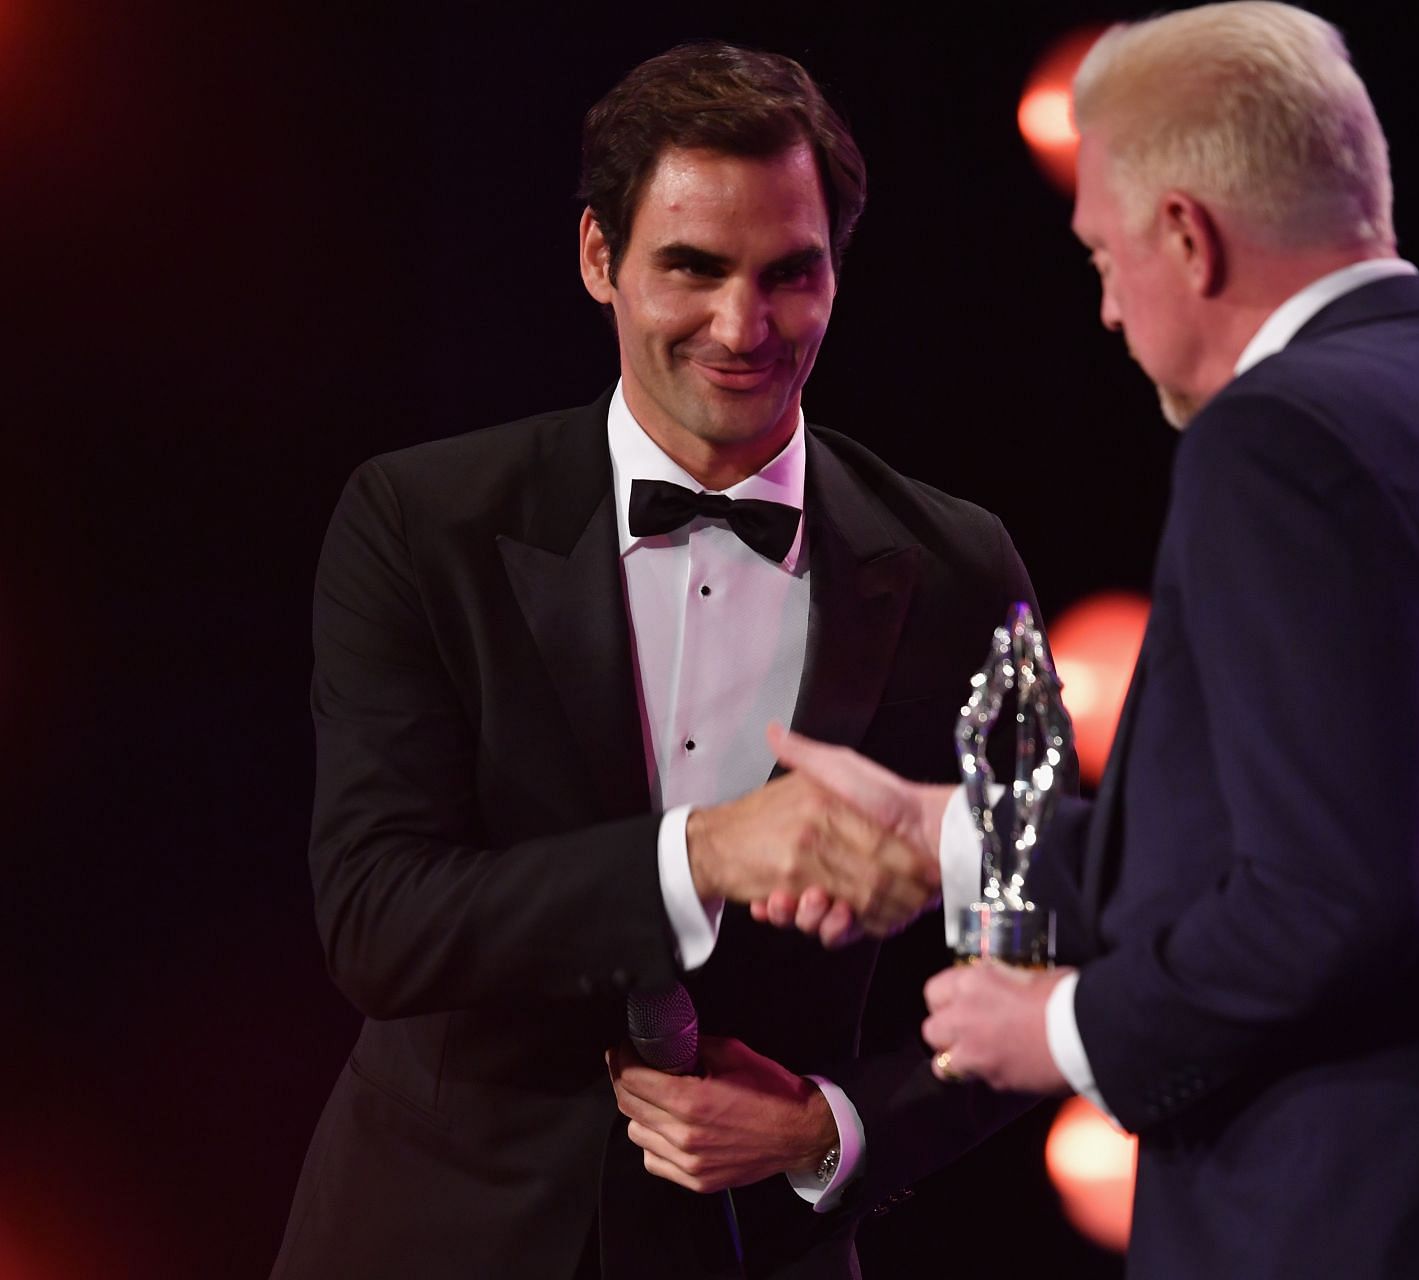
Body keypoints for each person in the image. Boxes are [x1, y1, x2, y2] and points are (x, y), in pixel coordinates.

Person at [770, 4, 1419, 1275]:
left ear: (1186, 233)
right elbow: (1283, 833)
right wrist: (942, 829)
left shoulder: (1279, 442)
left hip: (1391, 1222)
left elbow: (1333, 900)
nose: (1108, 310)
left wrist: (1063, 1031)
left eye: (1104, 257)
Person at [274, 42, 1044, 1280]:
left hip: (757, 1250)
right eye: (692, 267)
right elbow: (376, 917)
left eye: (790, 273)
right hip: (431, 1230)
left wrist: (832, 1127)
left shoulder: (957, 563)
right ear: (599, 259)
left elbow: (1033, 950)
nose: (745, 326)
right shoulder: (421, 520)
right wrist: (701, 855)